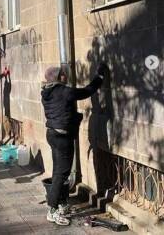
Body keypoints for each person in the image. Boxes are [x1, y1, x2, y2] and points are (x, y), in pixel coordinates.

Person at [41, 63, 106, 226]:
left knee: (58, 171)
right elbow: (87, 91)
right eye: (63, 74)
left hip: (53, 134)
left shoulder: (46, 92)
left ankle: (61, 204)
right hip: (62, 137)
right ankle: (52, 210)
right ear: (58, 77)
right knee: (61, 174)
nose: (66, 76)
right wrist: (100, 77)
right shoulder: (64, 91)